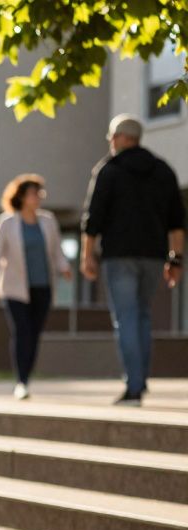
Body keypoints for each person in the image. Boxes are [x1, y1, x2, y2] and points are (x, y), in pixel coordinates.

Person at [80, 114, 185, 406]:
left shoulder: (108, 170)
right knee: (142, 317)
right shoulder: (163, 170)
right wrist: (175, 260)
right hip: (153, 257)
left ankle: (134, 385)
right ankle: (140, 380)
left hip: (119, 257)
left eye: (112, 137)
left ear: (123, 138)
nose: (110, 143)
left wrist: (87, 256)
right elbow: (177, 222)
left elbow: (92, 219)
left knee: (126, 318)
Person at [0, 174, 73, 400]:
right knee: (22, 332)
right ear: (22, 197)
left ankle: (26, 377)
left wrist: (65, 268)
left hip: (42, 286)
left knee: (34, 334)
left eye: (39, 193)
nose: (38, 198)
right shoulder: (7, 222)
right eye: (33, 193)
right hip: (15, 289)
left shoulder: (48, 220)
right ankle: (21, 381)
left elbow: (56, 251)